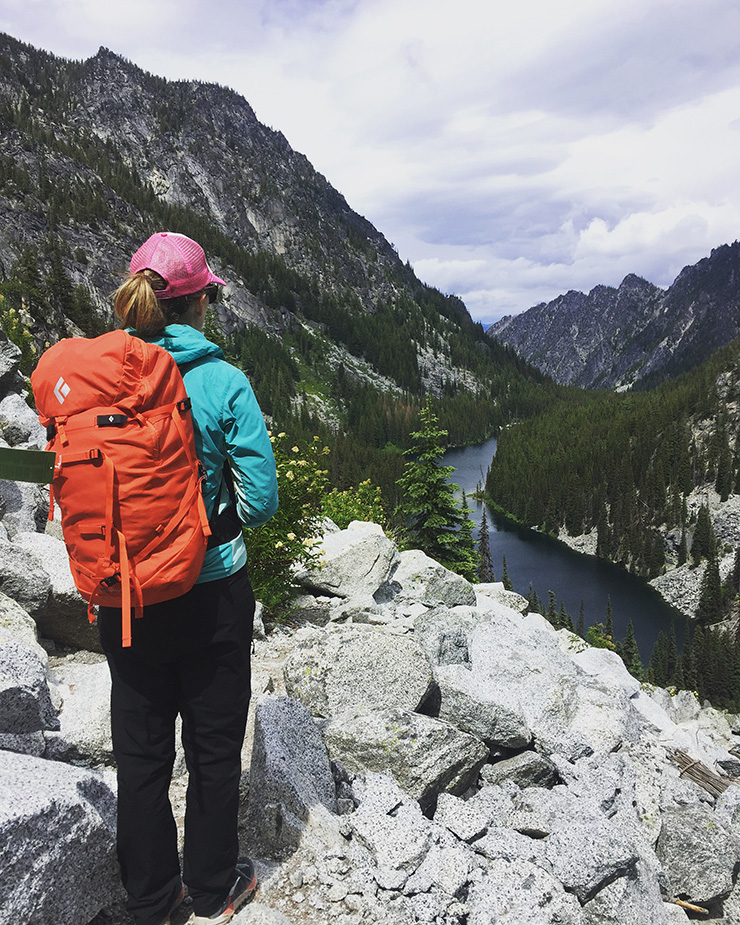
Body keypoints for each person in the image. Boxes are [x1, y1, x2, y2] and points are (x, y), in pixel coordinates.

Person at [98, 232, 279, 925]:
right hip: (210, 594)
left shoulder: (104, 378)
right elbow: (260, 502)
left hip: (127, 595)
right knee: (212, 748)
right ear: (201, 300)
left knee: (141, 753)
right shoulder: (222, 381)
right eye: (211, 292)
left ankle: (150, 900)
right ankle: (212, 887)